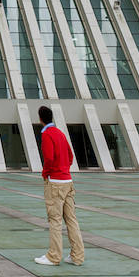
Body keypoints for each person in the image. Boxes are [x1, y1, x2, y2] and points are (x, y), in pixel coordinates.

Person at [35, 105, 84, 267]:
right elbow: (70, 156)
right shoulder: (60, 133)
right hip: (67, 181)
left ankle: (53, 256)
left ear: (40, 118)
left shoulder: (47, 134)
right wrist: (64, 168)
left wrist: (46, 173)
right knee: (71, 219)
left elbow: (48, 158)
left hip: (55, 182)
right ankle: (77, 256)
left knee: (55, 220)